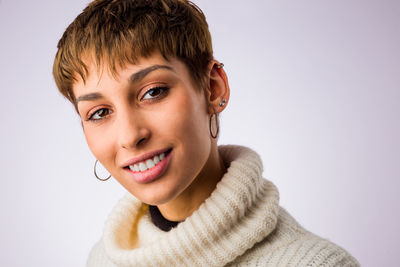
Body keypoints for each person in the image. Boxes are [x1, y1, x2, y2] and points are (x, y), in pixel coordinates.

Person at [53, 0, 360, 266]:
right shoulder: (102, 260)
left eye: (153, 92)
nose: (130, 136)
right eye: (100, 113)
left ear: (213, 87)